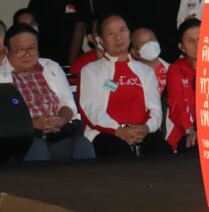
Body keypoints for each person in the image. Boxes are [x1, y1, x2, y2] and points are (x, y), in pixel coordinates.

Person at [79, 14, 170, 157]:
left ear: (129, 33)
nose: (118, 37)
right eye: (111, 33)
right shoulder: (91, 71)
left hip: (143, 132)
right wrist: (118, 130)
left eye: (122, 30)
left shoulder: (146, 71)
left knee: (162, 151)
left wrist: (145, 128)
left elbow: (156, 109)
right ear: (101, 41)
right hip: (106, 133)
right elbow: (90, 109)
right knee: (119, 154)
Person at [0, 24, 94, 161]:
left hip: (58, 132)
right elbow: (6, 121)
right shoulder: (1, 77)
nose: (27, 54)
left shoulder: (51, 67)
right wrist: (35, 123)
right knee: (38, 147)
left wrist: (61, 119)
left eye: (31, 49)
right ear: (7, 50)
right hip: (25, 137)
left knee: (83, 145)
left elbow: (67, 103)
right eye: (20, 50)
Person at [28, 0, 92, 66]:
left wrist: (71, 63)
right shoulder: (39, 0)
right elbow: (31, 31)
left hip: (72, 53)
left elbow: (80, 29)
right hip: (44, 56)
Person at [165, 18, 200, 153]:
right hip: (186, 131)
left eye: (201, 38)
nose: (197, 44)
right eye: (191, 41)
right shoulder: (176, 69)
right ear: (181, 47)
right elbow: (176, 105)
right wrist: (190, 130)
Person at [131, 27, 168, 95]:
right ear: (134, 52)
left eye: (152, 39)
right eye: (143, 42)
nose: (150, 44)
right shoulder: (130, 74)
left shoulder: (174, 69)